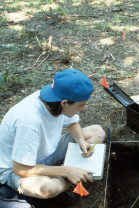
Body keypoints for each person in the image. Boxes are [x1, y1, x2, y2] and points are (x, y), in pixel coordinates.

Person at [0, 69, 106, 201]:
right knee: (47, 189)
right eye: (81, 105)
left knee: (97, 132)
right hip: (18, 168)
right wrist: (66, 171)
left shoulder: (56, 100)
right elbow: (20, 168)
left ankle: (68, 174)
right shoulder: (29, 121)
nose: (84, 108)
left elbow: (72, 123)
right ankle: (69, 177)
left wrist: (81, 142)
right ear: (64, 103)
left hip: (47, 152)